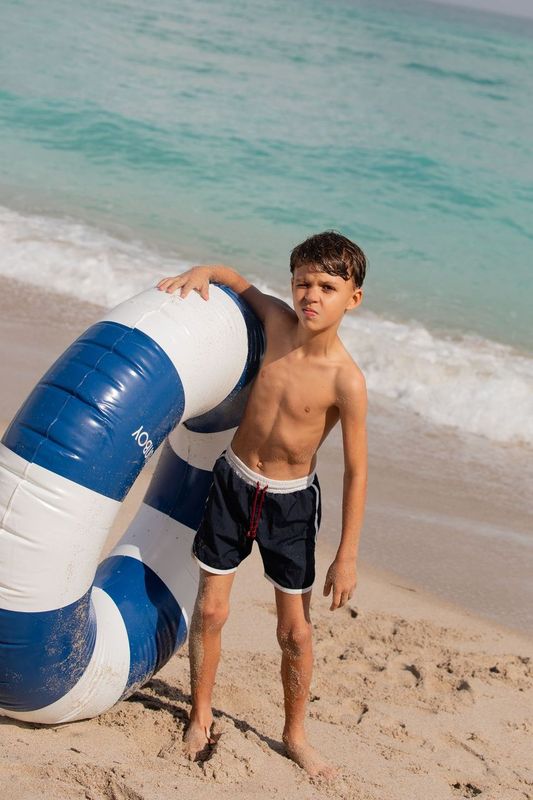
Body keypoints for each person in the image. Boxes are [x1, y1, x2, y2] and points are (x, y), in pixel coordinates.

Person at [156, 230, 368, 780]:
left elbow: (358, 471)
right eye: (302, 282)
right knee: (211, 610)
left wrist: (347, 554)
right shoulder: (275, 321)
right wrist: (202, 271)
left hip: (291, 506)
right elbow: (235, 280)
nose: (311, 295)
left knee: (294, 631)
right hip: (234, 482)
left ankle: (295, 734)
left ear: (354, 298)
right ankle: (200, 716)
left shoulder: (346, 380)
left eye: (327, 286)